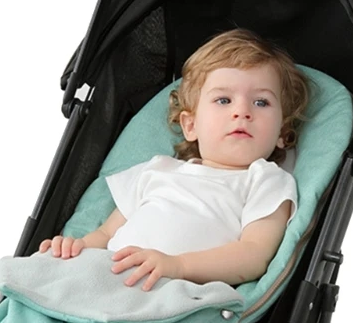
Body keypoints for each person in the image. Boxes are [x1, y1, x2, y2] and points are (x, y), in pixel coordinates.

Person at [38, 28, 311, 290]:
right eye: (223, 100)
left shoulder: (266, 181)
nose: (242, 111)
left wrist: (178, 265)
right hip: (106, 275)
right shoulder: (157, 169)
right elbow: (106, 234)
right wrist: (76, 247)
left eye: (261, 102)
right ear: (190, 125)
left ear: (282, 133)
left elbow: (254, 255)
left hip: (177, 292)